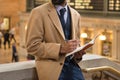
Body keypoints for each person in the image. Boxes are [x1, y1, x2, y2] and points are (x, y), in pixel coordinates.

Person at [26, 0, 86, 80]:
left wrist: (78, 54)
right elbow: (32, 46)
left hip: (74, 70)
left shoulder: (76, 15)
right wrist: (60, 48)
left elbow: (76, 43)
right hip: (52, 72)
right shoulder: (38, 12)